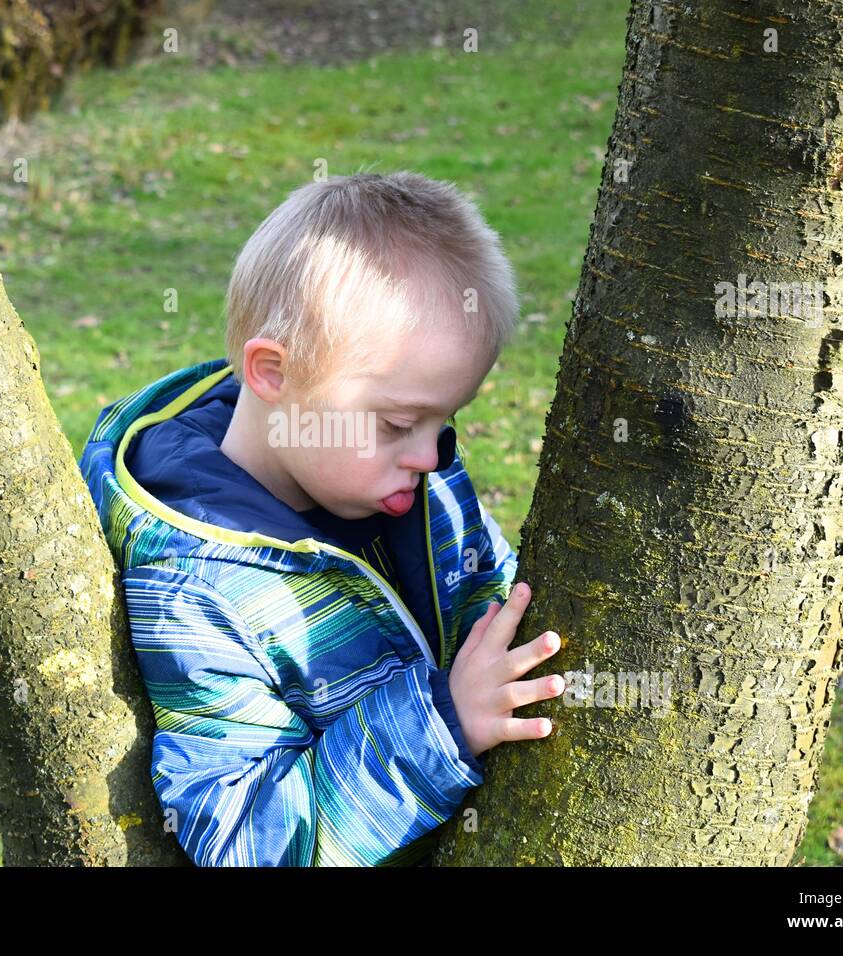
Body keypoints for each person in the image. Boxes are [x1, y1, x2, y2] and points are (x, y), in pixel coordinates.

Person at [79, 171, 565, 866]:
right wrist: (441, 725)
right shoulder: (201, 591)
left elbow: (489, 588)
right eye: (398, 422)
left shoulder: (401, 475)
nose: (431, 455)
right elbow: (245, 837)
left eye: (445, 418)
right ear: (274, 375)